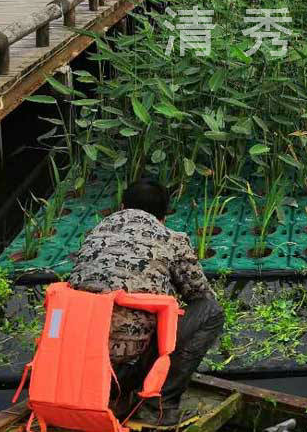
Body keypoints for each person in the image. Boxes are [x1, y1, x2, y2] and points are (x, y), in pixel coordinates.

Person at [69, 181, 224, 428]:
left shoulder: (95, 235)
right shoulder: (171, 239)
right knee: (210, 311)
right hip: (121, 370)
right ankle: (158, 406)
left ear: (122, 207)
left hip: (73, 363)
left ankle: (116, 396)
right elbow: (201, 295)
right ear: (163, 217)